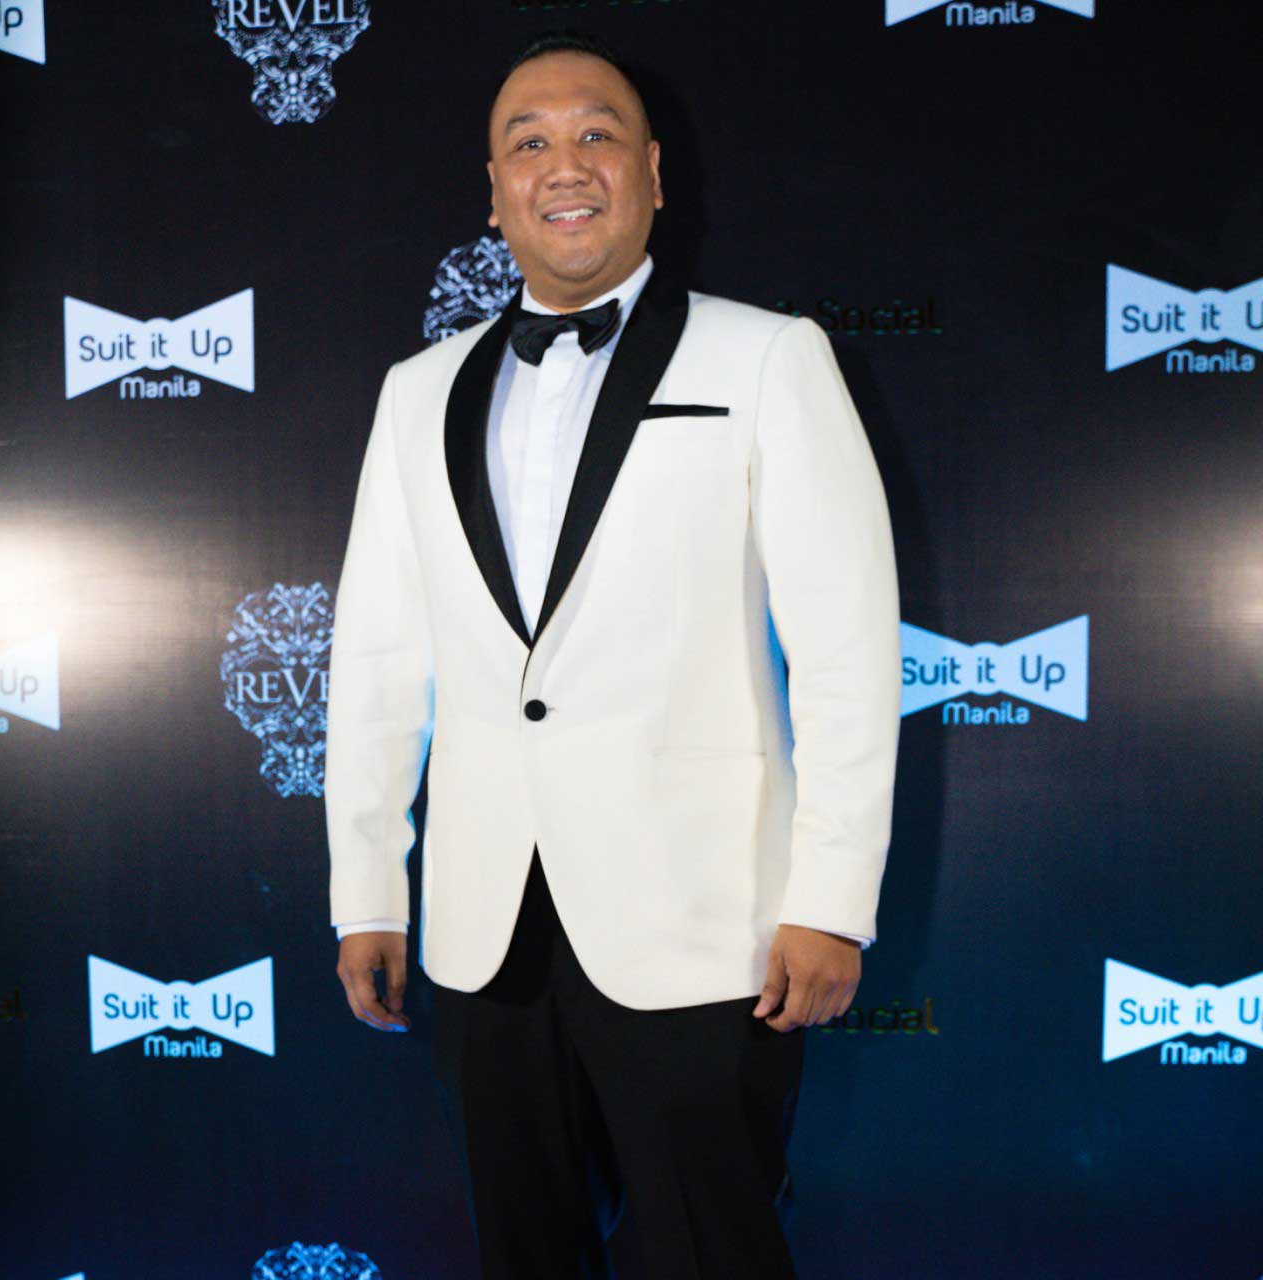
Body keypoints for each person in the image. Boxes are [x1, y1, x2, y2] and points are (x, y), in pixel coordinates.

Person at [325, 31, 901, 1280]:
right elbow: (375, 656)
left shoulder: (766, 357)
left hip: (703, 924)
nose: (564, 162)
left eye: (595, 133)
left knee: (714, 1250)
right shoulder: (415, 391)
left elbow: (848, 652)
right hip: (485, 929)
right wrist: (367, 886)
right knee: (523, 1251)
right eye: (527, 141)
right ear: (494, 192)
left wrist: (828, 899)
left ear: (650, 172)